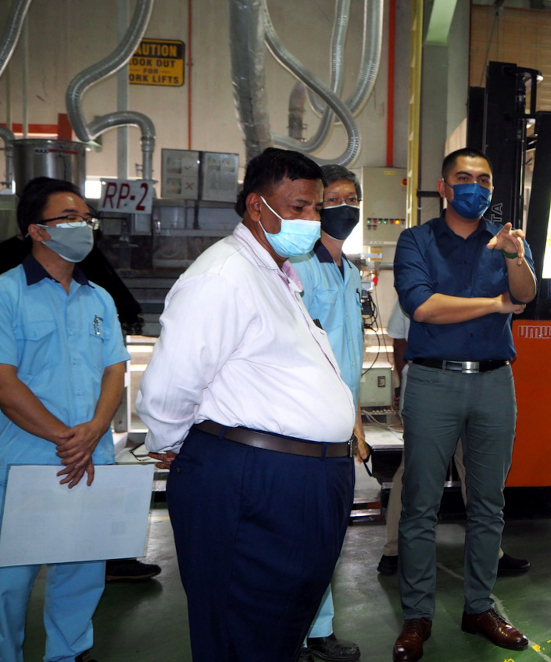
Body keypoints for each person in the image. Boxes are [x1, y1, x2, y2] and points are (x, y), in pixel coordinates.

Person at [135, 148, 359, 662]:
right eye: (299, 208)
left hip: (298, 482)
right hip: (254, 479)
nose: (311, 220)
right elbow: (171, 384)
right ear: (257, 207)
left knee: (277, 629)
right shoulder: (224, 275)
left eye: (315, 209)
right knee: (242, 629)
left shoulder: (278, 275)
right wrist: (172, 446)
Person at [391, 147, 535, 662]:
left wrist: (514, 256)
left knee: (488, 504)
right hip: (433, 383)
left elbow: (525, 294)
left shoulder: (508, 240)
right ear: (444, 185)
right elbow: (422, 305)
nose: (475, 186)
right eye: (464, 178)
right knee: (421, 506)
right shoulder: (416, 240)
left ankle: (480, 606)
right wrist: (496, 305)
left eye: (484, 179)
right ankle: (417, 615)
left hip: (495, 382)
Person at [0, 177, 130, 662]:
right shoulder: (7, 294)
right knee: (11, 578)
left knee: (83, 565)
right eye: (68, 218)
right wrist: (64, 438)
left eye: (86, 218)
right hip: (28, 460)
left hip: (91, 456)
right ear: (36, 230)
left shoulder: (98, 299)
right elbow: (4, 383)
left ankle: (69, 652)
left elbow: (115, 370)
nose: (82, 226)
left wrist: (94, 431)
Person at [378, 300, 530, 579]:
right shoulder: (417, 284)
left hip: (478, 384)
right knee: (414, 472)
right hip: (428, 385)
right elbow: (399, 341)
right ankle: (395, 549)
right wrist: (404, 382)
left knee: (478, 469)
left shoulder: (482, 286)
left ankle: (489, 552)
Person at [292, 163, 369, 662]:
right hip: (301, 425)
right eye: (333, 199)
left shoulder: (351, 272)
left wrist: (358, 428)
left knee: (327, 537)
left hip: (340, 424)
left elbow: (352, 364)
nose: (345, 207)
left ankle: (318, 631)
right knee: (297, 536)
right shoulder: (297, 265)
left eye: (352, 197)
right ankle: (293, 635)